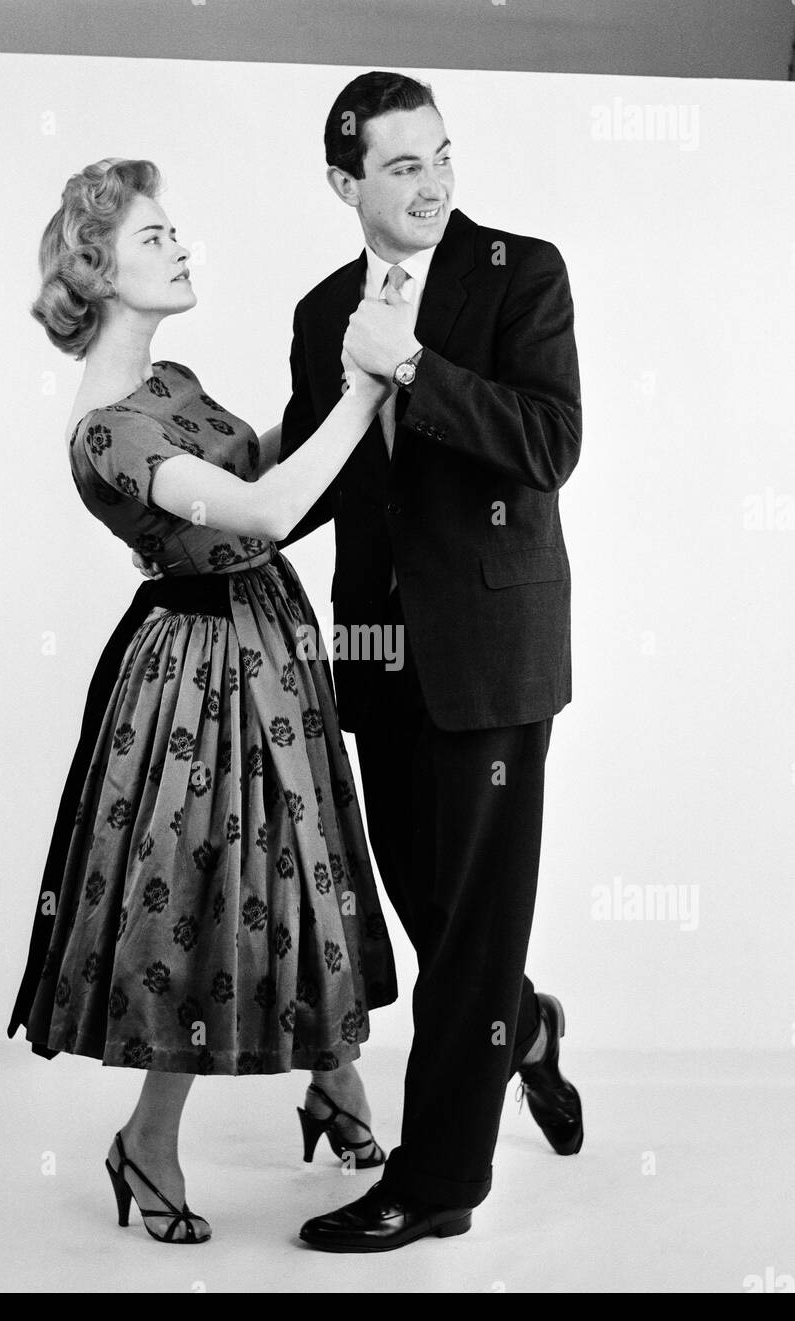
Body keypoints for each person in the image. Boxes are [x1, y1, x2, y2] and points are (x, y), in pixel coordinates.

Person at [8, 157, 398, 1245]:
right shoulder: (107, 431)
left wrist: (337, 376)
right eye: (151, 238)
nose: (179, 246)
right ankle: (147, 1141)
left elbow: (257, 458)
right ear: (98, 271)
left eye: (173, 230)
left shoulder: (168, 384)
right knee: (206, 888)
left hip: (268, 638)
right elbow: (262, 510)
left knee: (300, 863)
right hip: (197, 669)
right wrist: (364, 393)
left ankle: (337, 1085)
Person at [275, 72, 586, 1251]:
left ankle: (439, 1180)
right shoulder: (319, 315)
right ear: (343, 182)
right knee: (427, 906)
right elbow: (318, 477)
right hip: (377, 650)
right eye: (402, 166)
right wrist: (190, 505)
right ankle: (526, 1027)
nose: (433, 183)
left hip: (496, 649)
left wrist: (411, 366)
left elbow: (550, 444)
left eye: (441, 156)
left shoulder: (524, 272)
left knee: (474, 923)